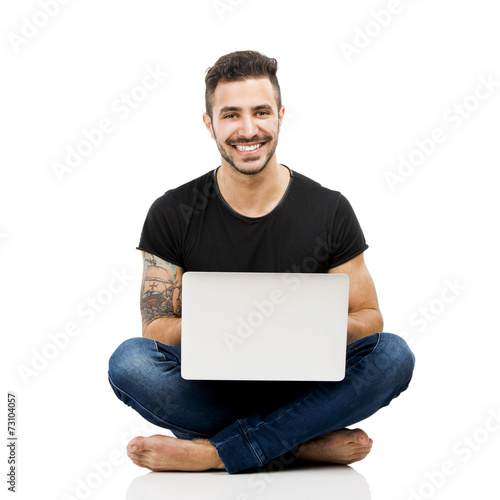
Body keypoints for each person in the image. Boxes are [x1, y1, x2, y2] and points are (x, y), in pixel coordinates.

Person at [108, 50, 415, 475]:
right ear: (209, 123)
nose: (248, 129)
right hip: (212, 392)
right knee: (129, 363)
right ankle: (301, 444)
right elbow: (155, 329)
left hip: (307, 391)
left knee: (395, 356)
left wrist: (311, 321)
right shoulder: (171, 211)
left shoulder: (329, 209)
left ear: (281, 116)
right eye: (231, 114)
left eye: (261, 112)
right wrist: (229, 324)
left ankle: (218, 453)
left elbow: (370, 318)